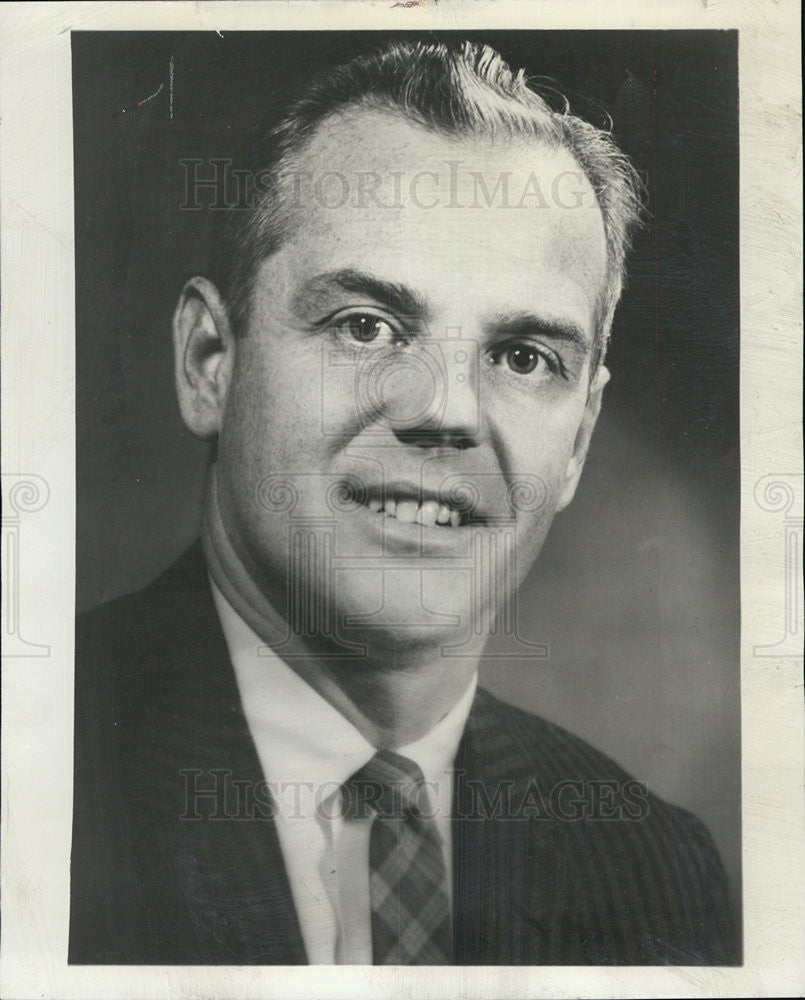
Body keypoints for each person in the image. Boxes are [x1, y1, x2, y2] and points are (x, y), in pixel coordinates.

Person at [69, 39, 739, 965]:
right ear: (208, 363)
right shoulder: (40, 770)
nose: (446, 412)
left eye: (521, 356)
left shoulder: (658, 868)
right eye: (366, 326)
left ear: (580, 436)